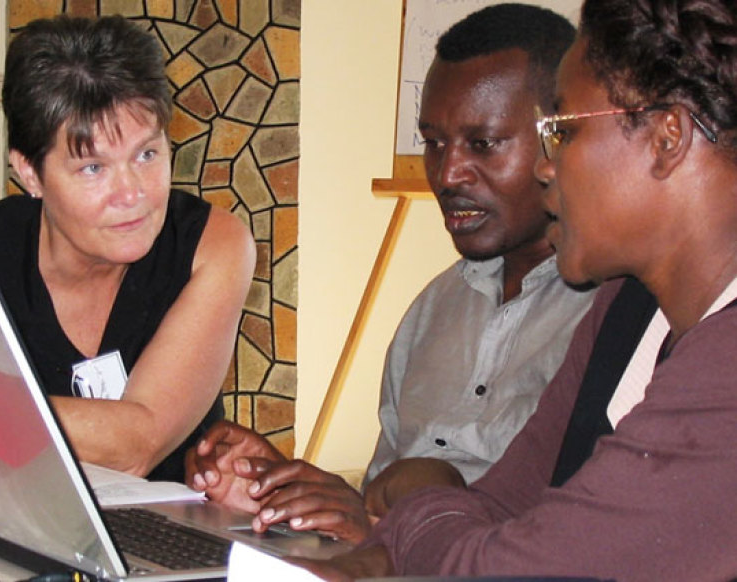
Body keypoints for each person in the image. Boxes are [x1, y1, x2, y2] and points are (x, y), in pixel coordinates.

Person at [293, 0, 737, 579]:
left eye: (562, 132)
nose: (547, 168)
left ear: (666, 138)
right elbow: (502, 502)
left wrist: (419, 498)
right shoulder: (625, 310)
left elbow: (512, 568)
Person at [186, 4, 595, 542]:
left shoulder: (617, 319)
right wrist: (288, 490)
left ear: (558, 138)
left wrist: (402, 521)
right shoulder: (433, 310)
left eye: (483, 144)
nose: (447, 174)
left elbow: (582, 544)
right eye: (434, 143)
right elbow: (377, 508)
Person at [0, 15, 255, 482]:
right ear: (30, 174)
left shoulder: (211, 246)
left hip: (171, 526)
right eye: (93, 168)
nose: (132, 193)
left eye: (147, 154)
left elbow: (137, 445)